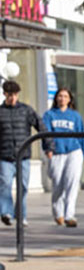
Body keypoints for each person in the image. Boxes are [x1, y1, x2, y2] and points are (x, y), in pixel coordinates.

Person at [0, 80, 43, 226]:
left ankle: (21, 215)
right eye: (9, 95)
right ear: (5, 94)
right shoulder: (0, 112)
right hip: (5, 156)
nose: (12, 98)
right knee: (5, 184)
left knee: (23, 187)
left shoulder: (26, 110)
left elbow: (40, 126)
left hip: (23, 156)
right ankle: (6, 212)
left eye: (15, 95)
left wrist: (48, 146)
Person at [44, 88, 84, 227]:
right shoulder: (49, 115)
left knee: (72, 183)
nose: (62, 99)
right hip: (57, 153)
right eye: (60, 96)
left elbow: (82, 136)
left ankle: (70, 214)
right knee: (58, 184)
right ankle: (58, 213)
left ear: (69, 99)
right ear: (56, 98)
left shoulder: (75, 116)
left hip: (74, 152)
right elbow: (45, 133)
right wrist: (48, 149)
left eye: (65, 96)